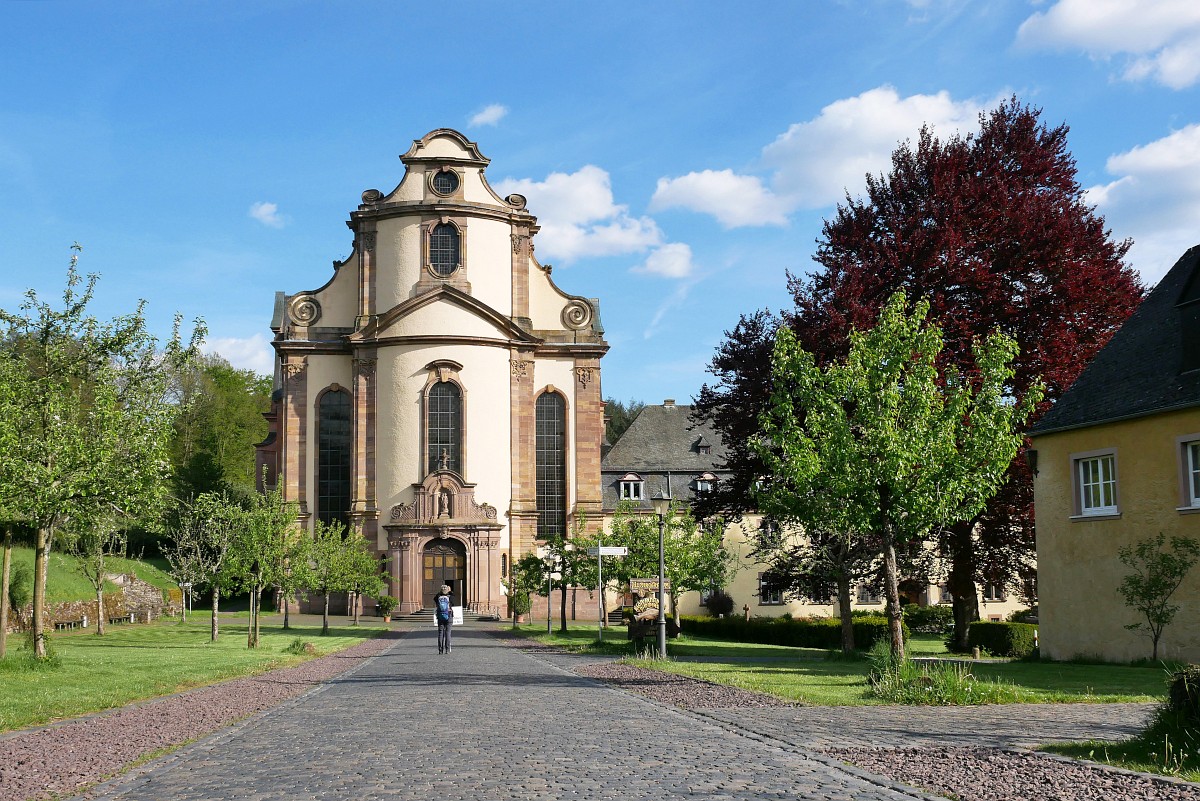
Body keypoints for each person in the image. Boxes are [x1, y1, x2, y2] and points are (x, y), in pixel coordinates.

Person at [434, 584, 454, 654]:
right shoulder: (450, 597)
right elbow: (453, 603)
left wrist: (440, 592)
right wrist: (450, 592)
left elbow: (435, 599)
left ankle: (440, 650)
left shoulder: (438, 597)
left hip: (440, 616)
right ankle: (447, 650)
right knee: (448, 633)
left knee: (440, 633)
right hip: (449, 615)